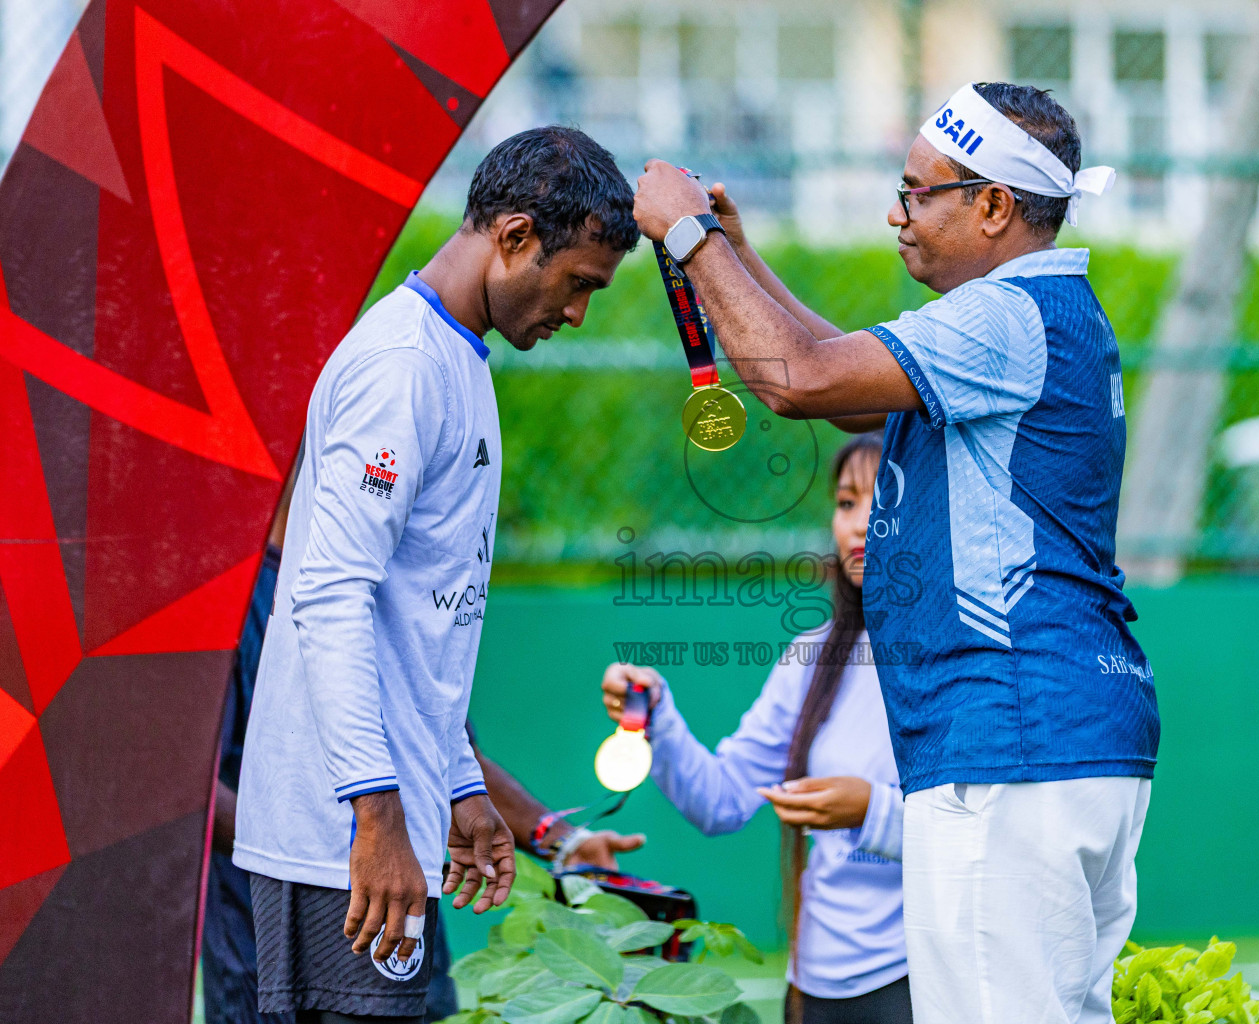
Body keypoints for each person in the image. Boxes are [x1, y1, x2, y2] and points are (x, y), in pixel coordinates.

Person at [630, 83, 1159, 1024]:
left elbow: (797, 380)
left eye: (917, 192)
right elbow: (840, 387)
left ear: (993, 206)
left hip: (1009, 741)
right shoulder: (1033, 310)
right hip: (1055, 737)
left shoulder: (1006, 316)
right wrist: (736, 256)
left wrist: (686, 237)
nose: (896, 213)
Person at [234, 125, 640, 1024]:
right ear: (514, 236)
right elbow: (330, 597)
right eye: (579, 283)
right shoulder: (404, 366)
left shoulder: (458, 358)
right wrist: (375, 815)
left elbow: (422, 628)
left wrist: (459, 786)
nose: (578, 314)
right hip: (337, 841)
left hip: (379, 824)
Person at [204, 479, 644, 1024]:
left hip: (403, 949)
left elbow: (444, 751)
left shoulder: (391, 582)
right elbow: (192, 791)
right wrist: (359, 843)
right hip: (269, 960)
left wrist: (562, 840)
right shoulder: (230, 602)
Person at [600, 433, 910, 1024]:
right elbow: (721, 801)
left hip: (917, 973)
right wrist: (655, 714)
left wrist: (871, 811)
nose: (858, 523)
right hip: (813, 984)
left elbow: (987, 836)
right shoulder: (811, 657)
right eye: (846, 502)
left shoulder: (965, 656)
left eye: (881, 499)